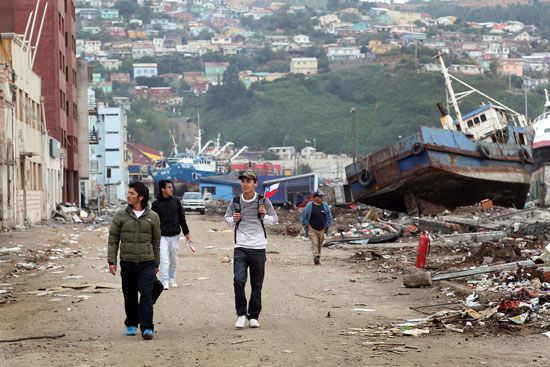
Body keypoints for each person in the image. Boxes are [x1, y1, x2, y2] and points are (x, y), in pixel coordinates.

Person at [224, 170, 278, 329]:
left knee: (257, 285)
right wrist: (233, 219)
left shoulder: (263, 201)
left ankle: (253, 316)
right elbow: (226, 219)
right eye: (243, 181)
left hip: (259, 248)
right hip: (240, 247)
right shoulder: (235, 201)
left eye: (248, 181)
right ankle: (241, 314)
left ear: (255, 183)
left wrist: (264, 216)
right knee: (238, 281)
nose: (245, 184)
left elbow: (274, 219)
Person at [108, 182, 161, 340]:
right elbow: (113, 239)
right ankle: (131, 322)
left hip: (147, 262)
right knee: (129, 295)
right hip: (127, 262)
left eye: (131, 193)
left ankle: (147, 327)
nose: (128, 195)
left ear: (141, 197)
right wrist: (112, 261)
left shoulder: (153, 217)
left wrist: (156, 263)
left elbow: (156, 242)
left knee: (146, 294)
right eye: (128, 193)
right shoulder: (120, 215)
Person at [151, 180, 191, 290]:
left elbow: (182, 218)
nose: (172, 189)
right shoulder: (155, 204)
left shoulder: (176, 202)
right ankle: (165, 281)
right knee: (164, 259)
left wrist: (186, 232)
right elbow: (152, 222)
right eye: (169, 187)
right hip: (162, 236)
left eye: (172, 187)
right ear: (163, 189)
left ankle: (172, 278)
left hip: (174, 236)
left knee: (174, 259)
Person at [301, 191, 333, 265]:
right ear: (315, 198)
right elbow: (303, 217)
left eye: (322, 197)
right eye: (319, 197)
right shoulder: (309, 206)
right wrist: (307, 225)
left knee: (319, 244)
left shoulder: (325, 206)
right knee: (315, 243)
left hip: (322, 229)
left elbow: (329, 217)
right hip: (312, 228)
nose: (321, 198)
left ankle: (318, 257)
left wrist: (326, 226)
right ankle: (316, 256)